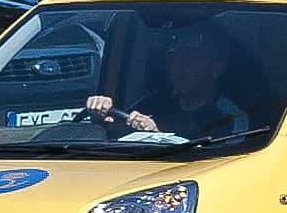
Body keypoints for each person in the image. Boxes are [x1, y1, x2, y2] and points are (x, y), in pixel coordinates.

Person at [86, 26, 249, 138]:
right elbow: (118, 131)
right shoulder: (153, 103)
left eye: (189, 60)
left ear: (217, 67)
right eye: (173, 59)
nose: (177, 67)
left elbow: (220, 162)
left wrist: (156, 135)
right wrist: (101, 115)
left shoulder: (232, 118)